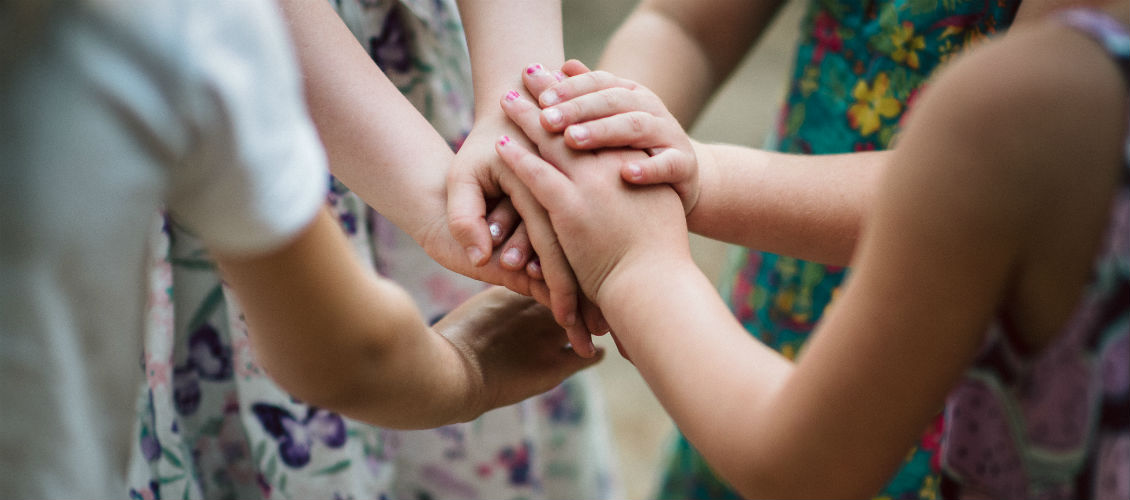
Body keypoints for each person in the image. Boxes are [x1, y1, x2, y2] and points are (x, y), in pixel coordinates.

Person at [494, 2, 1129, 498]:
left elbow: (800, 469)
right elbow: (680, 21)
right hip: (784, 294)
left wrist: (638, 255)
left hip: (926, 378)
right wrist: (593, 139)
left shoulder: (1032, 105)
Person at [0, 1, 604, 498]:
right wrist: (469, 367)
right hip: (269, 169)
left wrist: (515, 104)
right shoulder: (176, 36)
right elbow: (351, 353)